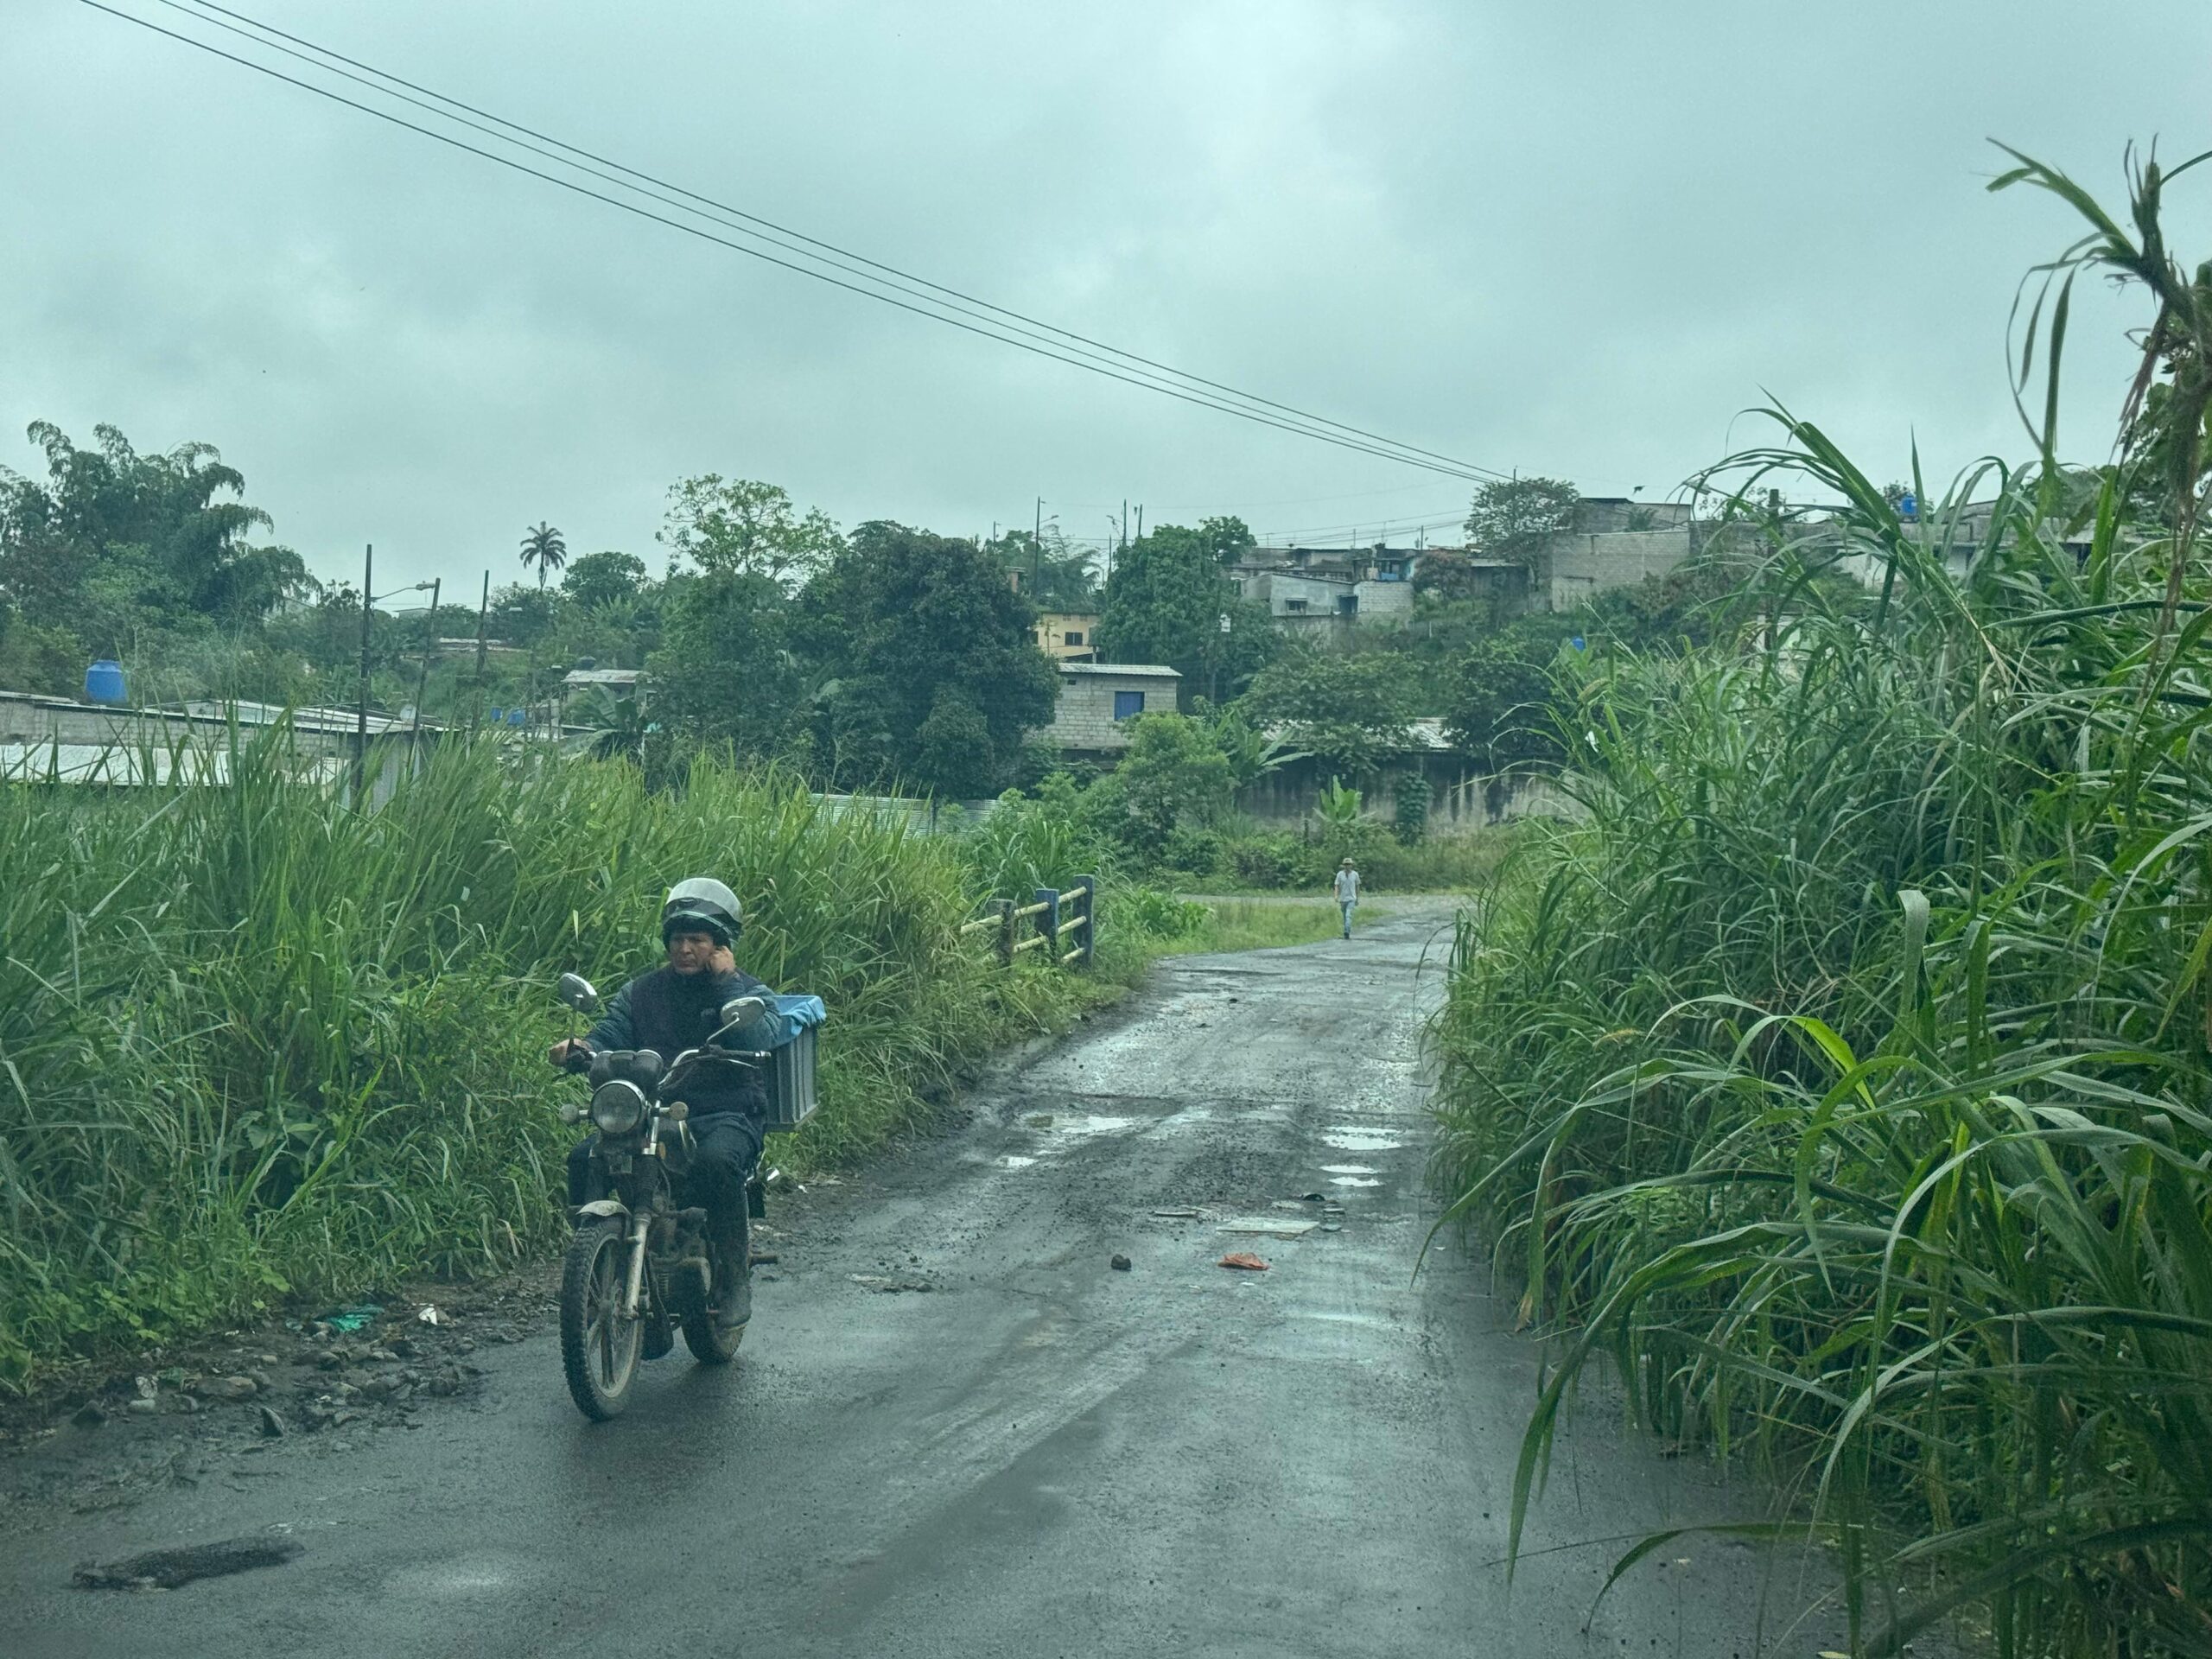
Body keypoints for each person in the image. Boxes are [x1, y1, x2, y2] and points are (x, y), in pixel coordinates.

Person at [548, 877, 772, 1318]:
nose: (685, 948)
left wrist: (728, 981)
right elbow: (611, 1034)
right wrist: (583, 1049)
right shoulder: (642, 991)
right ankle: (593, 1268)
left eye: (698, 939)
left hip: (723, 1111)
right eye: (677, 938)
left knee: (716, 1164)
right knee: (582, 1158)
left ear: (720, 946)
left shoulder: (748, 992)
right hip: (650, 1112)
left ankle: (732, 1279)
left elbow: (760, 1034)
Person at [1332, 856, 1361, 939]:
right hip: (1343, 899)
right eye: (1346, 864)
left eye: (1349, 864)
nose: (1347, 866)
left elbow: (1357, 886)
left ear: (1351, 865)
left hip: (1351, 898)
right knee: (1345, 916)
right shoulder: (1340, 874)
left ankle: (1347, 931)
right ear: (1343, 865)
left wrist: (1357, 898)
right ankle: (1346, 930)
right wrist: (1336, 896)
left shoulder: (1355, 874)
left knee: (1348, 915)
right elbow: (1337, 885)